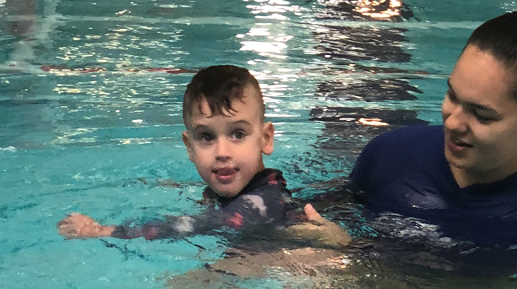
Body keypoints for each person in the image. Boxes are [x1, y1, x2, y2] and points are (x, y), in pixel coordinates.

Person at [350, 10, 517, 271]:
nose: (453, 122)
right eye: (452, 97)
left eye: (482, 115)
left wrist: (353, 251)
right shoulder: (390, 155)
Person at [57, 65, 349, 246]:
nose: (222, 153)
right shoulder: (246, 190)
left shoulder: (261, 201)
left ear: (266, 138)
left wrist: (103, 231)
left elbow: (193, 226)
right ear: (189, 147)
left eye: (237, 134)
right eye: (207, 137)